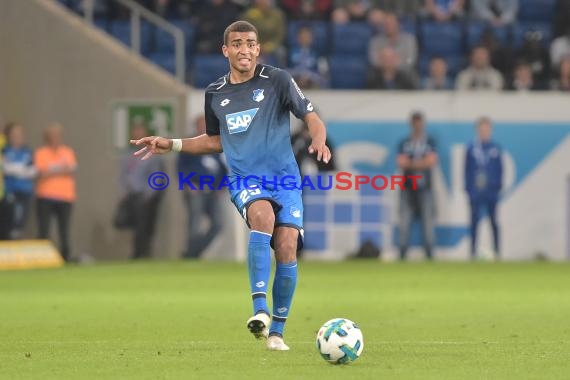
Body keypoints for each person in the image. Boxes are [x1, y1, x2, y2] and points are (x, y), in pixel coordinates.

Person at [130, 21, 331, 351]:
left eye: (250, 43)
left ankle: (277, 332)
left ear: (258, 49)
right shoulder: (216, 94)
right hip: (245, 179)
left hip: (285, 179)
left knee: (287, 246)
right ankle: (259, 311)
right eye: (237, 43)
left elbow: (310, 116)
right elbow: (214, 141)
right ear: (226, 50)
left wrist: (319, 140)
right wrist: (173, 144)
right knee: (262, 217)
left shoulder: (278, 80)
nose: (244, 49)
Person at [177, 115, 227, 259]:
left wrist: (222, 187)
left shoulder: (216, 143)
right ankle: (191, 254)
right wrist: (187, 184)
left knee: (218, 224)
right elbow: (180, 167)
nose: (203, 127)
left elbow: (223, 168)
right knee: (195, 224)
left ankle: (192, 252)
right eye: (201, 124)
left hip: (213, 190)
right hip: (196, 189)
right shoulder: (189, 143)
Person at [118, 121, 165, 259]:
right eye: (135, 131)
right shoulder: (127, 154)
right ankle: (137, 252)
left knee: (144, 226)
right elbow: (123, 175)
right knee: (133, 226)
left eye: (140, 132)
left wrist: (149, 195)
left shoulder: (152, 154)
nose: (137, 134)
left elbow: (156, 175)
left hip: (144, 196)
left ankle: (142, 253)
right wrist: (123, 192)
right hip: (131, 195)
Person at [396, 111, 438, 260]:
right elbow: (401, 162)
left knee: (428, 225)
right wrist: (422, 163)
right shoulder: (404, 143)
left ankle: (429, 255)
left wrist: (412, 164)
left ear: (423, 123)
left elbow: (431, 161)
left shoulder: (429, 142)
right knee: (404, 224)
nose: (417, 126)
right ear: (411, 124)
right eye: (415, 122)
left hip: (425, 188)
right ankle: (402, 255)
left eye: (419, 122)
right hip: (407, 188)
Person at [34, 123, 77, 261]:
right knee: (44, 230)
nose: (55, 138)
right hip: (45, 195)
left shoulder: (67, 151)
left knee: (64, 231)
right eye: (52, 135)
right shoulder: (41, 153)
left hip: (65, 196)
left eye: (57, 135)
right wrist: (59, 169)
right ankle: (41, 258)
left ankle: (65, 257)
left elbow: (71, 169)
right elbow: (41, 173)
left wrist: (52, 169)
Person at [464, 117, 503, 260]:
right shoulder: (472, 149)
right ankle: (472, 252)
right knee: (474, 222)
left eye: (486, 129)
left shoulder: (495, 148)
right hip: (476, 191)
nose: (484, 132)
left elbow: (500, 169)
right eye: (481, 129)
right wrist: (469, 189)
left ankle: (497, 251)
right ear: (477, 131)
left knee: (494, 221)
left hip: (491, 191)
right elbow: (467, 170)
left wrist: (497, 187)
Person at [2, 123, 36, 239]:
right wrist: (21, 170)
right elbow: (5, 168)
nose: (17, 137)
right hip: (9, 190)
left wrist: (16, 169)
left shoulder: (27, 152)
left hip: (25, 191)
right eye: (14, 134)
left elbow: (32, 171)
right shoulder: (5, 150)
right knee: (11, 219)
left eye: (19, 134)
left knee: (22, 220)